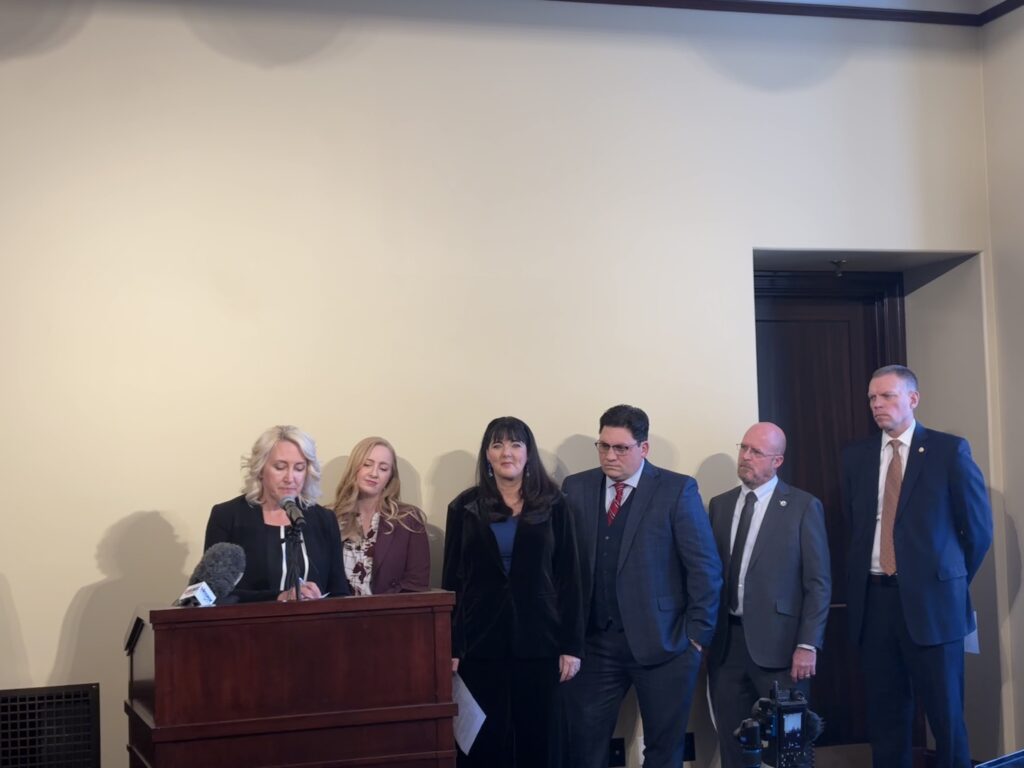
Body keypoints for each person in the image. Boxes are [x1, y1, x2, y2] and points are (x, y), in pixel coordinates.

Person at [843, 365, 993, 768]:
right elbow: (855, 526)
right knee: (886, 718)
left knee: (946, 718)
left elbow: (978, 532)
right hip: (875, 603)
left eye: (887, 396)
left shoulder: (948, 451)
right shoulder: (856, 457)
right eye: (872, 397)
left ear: (913, 399)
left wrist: (945, 580)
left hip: (933, 607)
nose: (877, 404)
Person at [560, 404, 721, 768]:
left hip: (665, 644)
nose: (609, 455)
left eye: (621, 448)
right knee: (583, 748)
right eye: (603, 446)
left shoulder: (676, 490)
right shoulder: (576, 487)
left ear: (644, 448)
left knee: (664, 751)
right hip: (595, 644)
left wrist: (696, 639)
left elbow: (705, 568)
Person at [442, 416, 584, 768]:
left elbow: (571, 578)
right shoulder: (463, 507)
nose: (507, 452)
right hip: (480, 643)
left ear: (528, 453)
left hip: (541, 642)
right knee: (486, 744)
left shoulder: (556, 505)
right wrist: (451, 646)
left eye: (515, 444)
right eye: (498, 445)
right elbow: (453, 581)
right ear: (487, 455)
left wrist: (571, 646)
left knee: (539, 740)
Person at [707, 422, 831, 768]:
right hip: (727, 646)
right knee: (733, 743)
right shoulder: (720, 505)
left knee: (789, 749)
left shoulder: (802, 506)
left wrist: (808, 644)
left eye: (756, 452)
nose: (746, 457)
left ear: (777, 461)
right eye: (744, 448)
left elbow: (818, 583)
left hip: (782, 648)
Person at [205, 425, 350, 602]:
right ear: (260, 469)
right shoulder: (227, 516)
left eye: (299, 468)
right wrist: (279, 597)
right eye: (280, 467)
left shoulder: (324, 519)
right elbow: (212, 593)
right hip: (248, 620)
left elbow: (339, 592)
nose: (290, 478)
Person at [330, 436, 430, 595]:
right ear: (354, 468)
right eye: (367, 464)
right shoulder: (330, 517)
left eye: (383, 468)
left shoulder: (408, 519)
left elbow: (416, 584)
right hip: (338, 609)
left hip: (391, 610)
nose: (374, 473)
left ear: (390, 477)